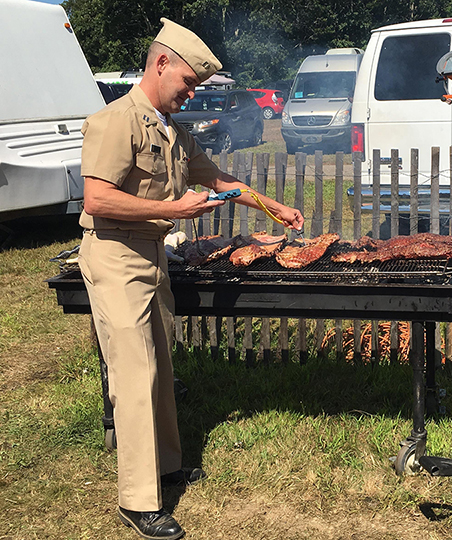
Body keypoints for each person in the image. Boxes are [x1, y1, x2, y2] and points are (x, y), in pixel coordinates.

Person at [77, 17, 304, 540]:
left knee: (158, 368)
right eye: (188, 83)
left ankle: (166, 466)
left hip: (151, 257)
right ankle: (138, 501)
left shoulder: (170, 130)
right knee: (134, 377)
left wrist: (274, 206)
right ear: (161, 64)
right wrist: (175, 208)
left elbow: (221, 180)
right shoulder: (116, 121)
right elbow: (97, 198)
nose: (191, 93)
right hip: (115, 256)